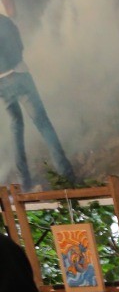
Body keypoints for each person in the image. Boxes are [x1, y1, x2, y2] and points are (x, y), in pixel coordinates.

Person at [0, 13, 77, 189]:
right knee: (43, 123)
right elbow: (19, 46)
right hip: (18, 74)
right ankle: (66, 175)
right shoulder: (4, 22)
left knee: (15, 127)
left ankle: (24, 183)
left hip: (1, 84)